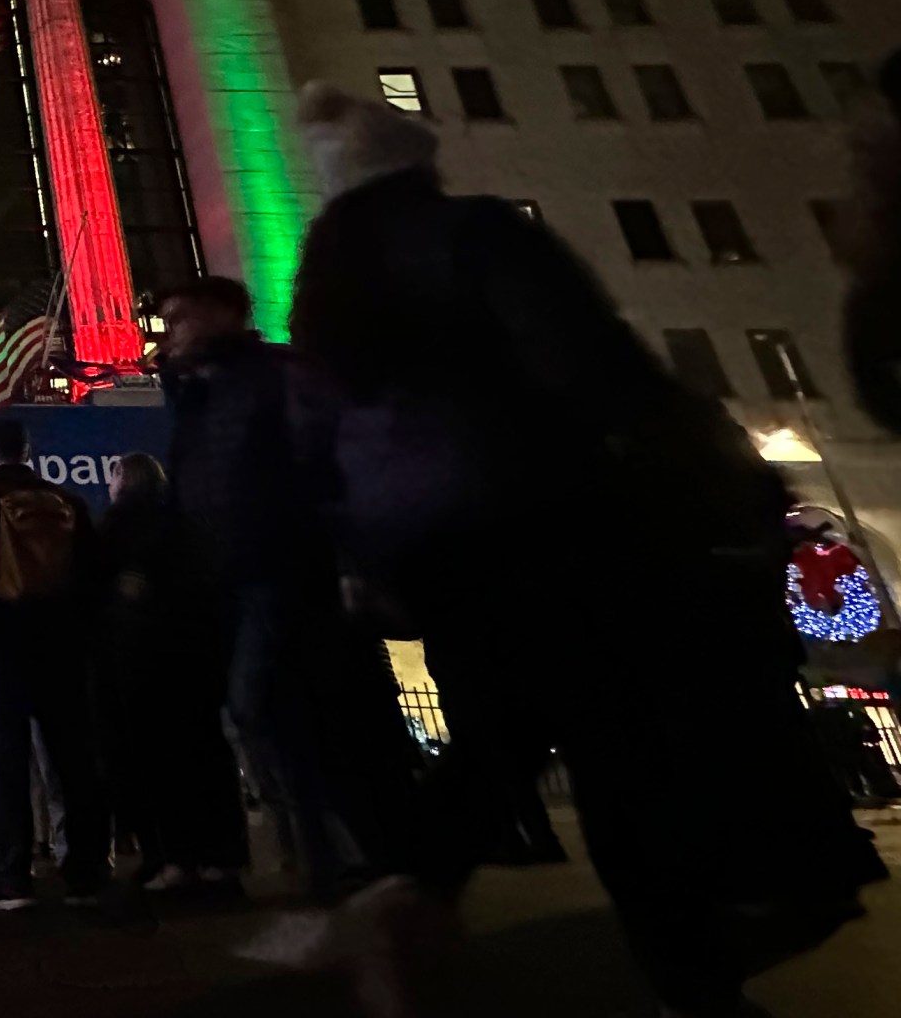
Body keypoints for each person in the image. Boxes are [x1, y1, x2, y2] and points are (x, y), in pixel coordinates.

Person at [287, 83, 885, 1015]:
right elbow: (591, 360)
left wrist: (367, 553)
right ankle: (686, 971)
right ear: (416, 165)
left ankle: (405, 891)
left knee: (512, 725)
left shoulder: (323, 288)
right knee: (610, 740)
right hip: (536, 518)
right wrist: (712, 466)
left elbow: (318, 438)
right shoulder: (476, 233)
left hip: (425, 543)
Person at [160, 274, 419, 906]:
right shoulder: (197, 392)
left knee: (268, 706)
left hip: (283, 567)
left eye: (181, 319)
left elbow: (331, 464)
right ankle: (328, 864)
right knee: (275, 714)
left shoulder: (278, 375)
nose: (171, 335)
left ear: (224, 315)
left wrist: (354, 563)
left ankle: (359, 854)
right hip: (228, 574)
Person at [0, 419, 112, 911]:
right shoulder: (66, 501)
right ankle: (86, 872)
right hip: (60, 648)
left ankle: (11, 876)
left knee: (2, 763)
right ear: (28, 450)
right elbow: (96, 575)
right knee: (72, 759)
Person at [96, 453, 248, 897]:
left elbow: (100, 593)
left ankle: (175, 858)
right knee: (210, 758)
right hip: (200, 661)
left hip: (143, 664)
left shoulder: (117, 528)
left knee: (158, 764)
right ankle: (224, 860)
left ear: (121, 480)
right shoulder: (190, 524)